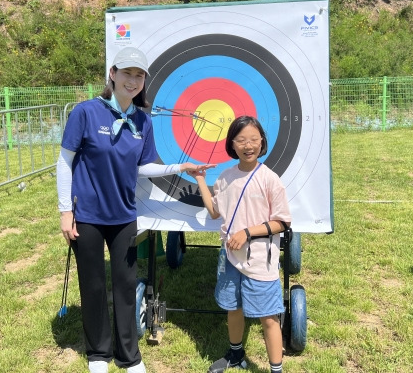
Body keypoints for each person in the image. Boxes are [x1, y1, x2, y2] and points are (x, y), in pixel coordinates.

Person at [57, 46, 214, 373]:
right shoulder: (85, 112)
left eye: (139, 75)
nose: (133, 80)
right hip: (86, 215)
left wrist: (179, 166)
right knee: (94, 284)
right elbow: (65, 162)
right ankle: (98, 354)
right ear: (112, 74)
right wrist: (64, 210)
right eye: (127, 73)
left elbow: (143, 167)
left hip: (124, 216)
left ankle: (128, 356)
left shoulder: (142, 120)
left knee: (126, 285)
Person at [188, 115, 291, 373]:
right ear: (232, 144)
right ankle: (235, 354)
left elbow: (282, 222)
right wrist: (201, 179)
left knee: (268, 317)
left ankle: (276, 369)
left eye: (254, 140)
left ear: (262, 142)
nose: (248, 146)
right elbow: (214, 211)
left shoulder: (269, 179)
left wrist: (247, 232)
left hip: (259, 259)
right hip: (230, 256)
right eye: (241, 140)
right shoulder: (225, 177)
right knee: (233, 308)